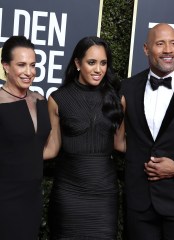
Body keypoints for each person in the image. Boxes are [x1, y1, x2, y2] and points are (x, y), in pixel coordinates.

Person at [43, 36, 124, 239]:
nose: (98, 69)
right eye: (91, 62)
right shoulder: (57, 99)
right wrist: (12, 153)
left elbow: (120, 143)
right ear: (78, 63)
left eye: (103, 63)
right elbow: (52, 148)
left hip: (104, 195)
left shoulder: (117, 99)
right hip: (69, 192)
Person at [121, 23, 174, 240]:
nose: (168, 50)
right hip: (140, 206)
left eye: (173, 43)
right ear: (146, 49)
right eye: (160, 43)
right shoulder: (128, 87)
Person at [0, 35, 51, 240]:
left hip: (32, 197)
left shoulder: (39, 99)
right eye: (21, 65)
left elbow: (39, 146)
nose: (29, 72)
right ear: (6, 66)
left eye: (33, 65)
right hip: (4, 197)